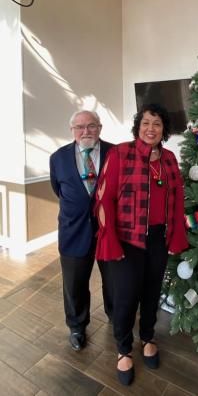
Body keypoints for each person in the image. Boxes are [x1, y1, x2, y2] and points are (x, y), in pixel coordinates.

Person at [95, 103, 188, 386]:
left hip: (158, 238)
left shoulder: (170, 159)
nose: (151, 129)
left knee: (152, 292)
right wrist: (109, 237)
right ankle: (123, 349)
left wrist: (176, 235)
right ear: (138, 126)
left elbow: (178, 199)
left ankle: (147, 336)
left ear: (164, 130)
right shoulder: (120, 153)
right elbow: (103, 198)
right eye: (146, 123)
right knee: (124, 297)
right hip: (127, 240)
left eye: (157, 124)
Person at [50, 110, 114, 351]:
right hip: (73, 232)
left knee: (114, 280)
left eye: (91, 125)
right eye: (80, 127)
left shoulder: (115, 153)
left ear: (100, 127)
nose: (86, 131)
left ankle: (116, 318)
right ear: (72, 130)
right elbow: (59, 189)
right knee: (74, 284)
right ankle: (77, 326)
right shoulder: (58, 157)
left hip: (110, 232)